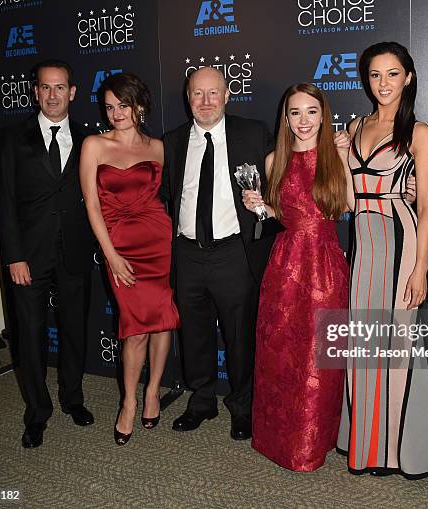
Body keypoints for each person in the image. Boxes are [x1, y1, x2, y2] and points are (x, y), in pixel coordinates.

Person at [336, 42, 428, 478]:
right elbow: (347, 201)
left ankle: (395, 451)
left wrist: (421, 268)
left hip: (401, 242)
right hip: (363, 243)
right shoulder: (355, 124)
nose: (383, 83)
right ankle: (364, 444)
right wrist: (343, 157)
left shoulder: (420, 133)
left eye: (392, 74)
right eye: (375, 75)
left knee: (396, 349)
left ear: (409, 78)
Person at [159, 67, 274, 440]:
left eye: (213, 94)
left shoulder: (253, 134)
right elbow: (167, 197)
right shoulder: (173, 141)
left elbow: (285, 183)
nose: (205, 102)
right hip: (188, 253)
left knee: (240, 336)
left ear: (227, 96)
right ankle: (202, 400)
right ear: (187, 98)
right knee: (194, 333)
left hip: (234, 253)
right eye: (197, 94)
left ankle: (242, 406)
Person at [243, 83, 352, 471]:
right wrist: (259, 206)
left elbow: (349, 204)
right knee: (281, 350)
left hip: (324, 265)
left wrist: (342, 155)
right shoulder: (274, 160)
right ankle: (276, 440)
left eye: (311, 112)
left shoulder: (337, 155)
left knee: (318, 356)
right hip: (285, 263)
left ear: (324, 115)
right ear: (285, 118)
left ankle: (311, 445)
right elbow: (279, 214)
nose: (303, 121)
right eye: (295, 113)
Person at [0, 59, 95, 448]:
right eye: (45, 87)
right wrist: (13, 257)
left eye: (60, 87)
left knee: (75, 332)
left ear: (72, 92)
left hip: (74, 253)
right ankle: (37, 412)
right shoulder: (10, 138)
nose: (53, 95)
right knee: (30, 338)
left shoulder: (89, 140)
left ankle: (73, 398)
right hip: (28, 258)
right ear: (36, 92)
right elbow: (3, 203)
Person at [79, 73, 179, 445]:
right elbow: (92, 204)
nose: (116, 113)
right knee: (135, 327)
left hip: (159, 240)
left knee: (163, 320)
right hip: (119, 246)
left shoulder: (158, 147)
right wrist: (111, 255)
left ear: (139, 105)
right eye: (109, 106)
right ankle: (128, 402)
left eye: (123, 105)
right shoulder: (94, 145)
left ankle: (153, 390)